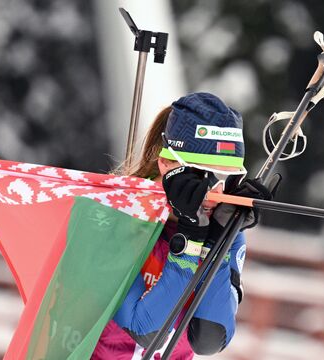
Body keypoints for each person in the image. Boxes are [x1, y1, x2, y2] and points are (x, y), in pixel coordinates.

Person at [92, 92, 277, 359]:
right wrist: (189, 240)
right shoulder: (117, 218)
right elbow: (145, 329)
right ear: (166, 165)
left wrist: (215, 242)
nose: (215, 189)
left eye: (226, 177)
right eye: (203, 174)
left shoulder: (223, 231)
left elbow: (209, 338)